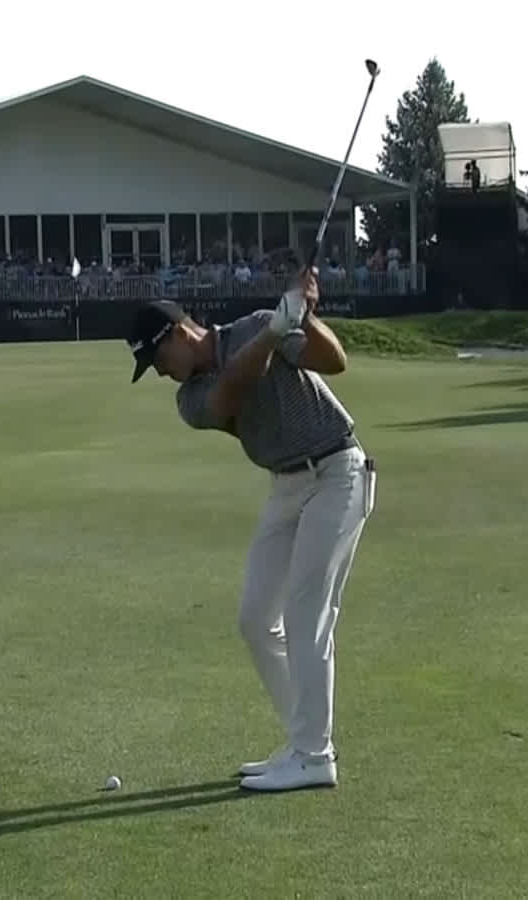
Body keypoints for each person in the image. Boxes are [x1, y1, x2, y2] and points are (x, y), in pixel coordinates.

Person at [125, 267, 376, 792]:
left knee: (306, 614)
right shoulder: (192, 398)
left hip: (337, 472)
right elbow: (229, 395)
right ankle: (301, 741)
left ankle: (314, 756)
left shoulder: (259, 324)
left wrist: (305, 316)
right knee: (256, 619)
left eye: (158, 360)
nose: (161, 373)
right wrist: (273, 334)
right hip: (286, 486)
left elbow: (334, 361)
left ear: (179, 333)